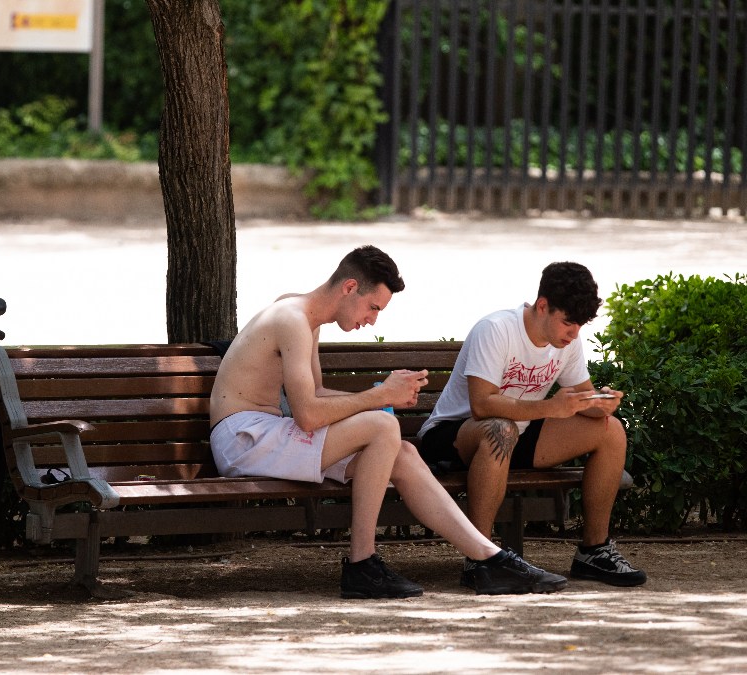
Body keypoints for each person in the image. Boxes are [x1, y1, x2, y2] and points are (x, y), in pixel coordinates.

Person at [209, 245, 567, 598]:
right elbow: (307, 415)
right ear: (350, 287)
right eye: (373, 307)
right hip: (243, 438)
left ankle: (490, 559)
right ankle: (361, 563)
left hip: (265, 434)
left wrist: (384, 397)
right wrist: (380, 398)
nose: (372, 319)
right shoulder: (292, 319)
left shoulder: (303, 315)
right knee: (383, 427)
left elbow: (315, 393)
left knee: (404, 453)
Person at [418, 261, 647, 587]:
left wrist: (601, 403)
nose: (574, 333)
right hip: (455, 435)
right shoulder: (496, 329)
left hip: (518, 435)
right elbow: (482, 405)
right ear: (543, 306)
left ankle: (594, 552)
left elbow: (583, 399)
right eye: (569, 322)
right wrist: (551, 408)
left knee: (610, 430)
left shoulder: (567, 343)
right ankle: (480, 559)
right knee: (501, 429)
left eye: (580, 325)